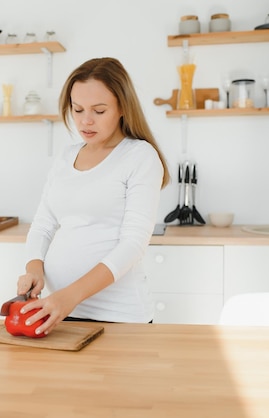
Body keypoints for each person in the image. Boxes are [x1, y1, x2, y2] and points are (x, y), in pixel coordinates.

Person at [16, 57, 170, 336]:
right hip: (60, 312)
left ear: (123, 107)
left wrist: (69, 296)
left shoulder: (140, 157)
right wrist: (34, 269)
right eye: (77, 109)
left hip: (119, 317)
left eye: (99, 110)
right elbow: (43, 225)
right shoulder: (65, 157)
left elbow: (133, 245)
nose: (85, 120)